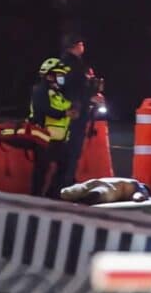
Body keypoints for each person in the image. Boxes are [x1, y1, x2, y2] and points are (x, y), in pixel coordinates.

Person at [58, 33, 103, 188]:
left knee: (75, 150)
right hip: (72, 112)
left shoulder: (80, 64)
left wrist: (94, 92)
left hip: (81, 111)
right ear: (75, 46)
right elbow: (69, 90)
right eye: (81, 44)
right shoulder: (67, 65)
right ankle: (63, 185)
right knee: (70, 150)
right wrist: (88, 98)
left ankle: (69, 182)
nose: (83, 46)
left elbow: (84, 85)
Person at [29, 57, 77, 198]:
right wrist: (64, 113)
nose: (61, 78)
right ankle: (35, 198)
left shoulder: (58, 94)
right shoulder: (39, 91)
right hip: (43, 137)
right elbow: (42, 109)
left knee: (65, 166)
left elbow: (69, 106)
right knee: (41, 170)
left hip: (58, 140)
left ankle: (51, 196)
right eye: (59, 74)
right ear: (49, 75)